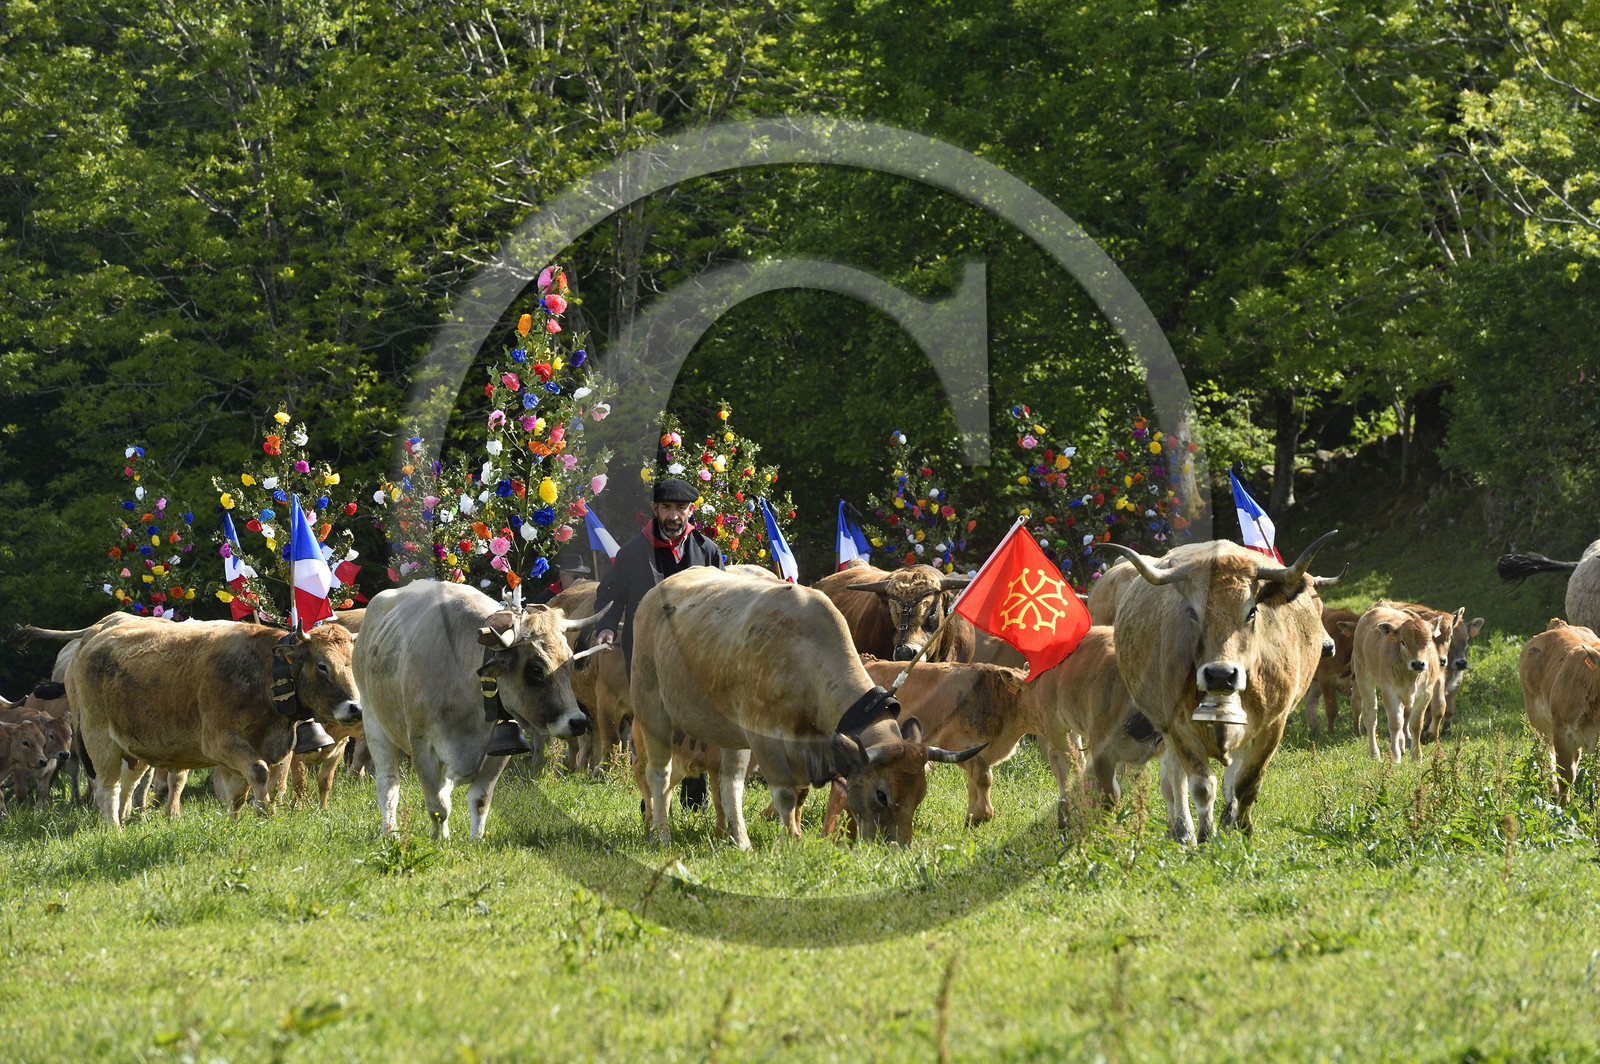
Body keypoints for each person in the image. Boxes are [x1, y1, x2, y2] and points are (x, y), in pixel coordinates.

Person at [593, 476, 724, 808]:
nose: (674, 515)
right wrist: (606, 628)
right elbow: (609, 596)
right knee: (652, 725)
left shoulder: (708, 551)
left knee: (695, 722)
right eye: (667, 507)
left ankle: (694, 798)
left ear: (691, 510)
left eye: (681, 508)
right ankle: (652, 800)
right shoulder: (633, 552)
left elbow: (725, 602)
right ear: (655, 509)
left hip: (694, 655)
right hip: (646, 656)